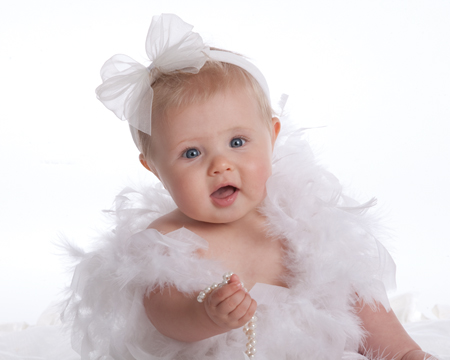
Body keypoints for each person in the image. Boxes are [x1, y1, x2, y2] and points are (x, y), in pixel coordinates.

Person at [61, 14, 437, 359]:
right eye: (191, 152)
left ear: (272, 137)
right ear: (155, 169)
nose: (220, 164)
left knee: (351, 282)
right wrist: (206, 314)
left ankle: (404, 353)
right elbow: (165, 314)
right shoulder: (166, 240)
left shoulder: (299, 220)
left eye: (237, 142)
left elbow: (344, 292)